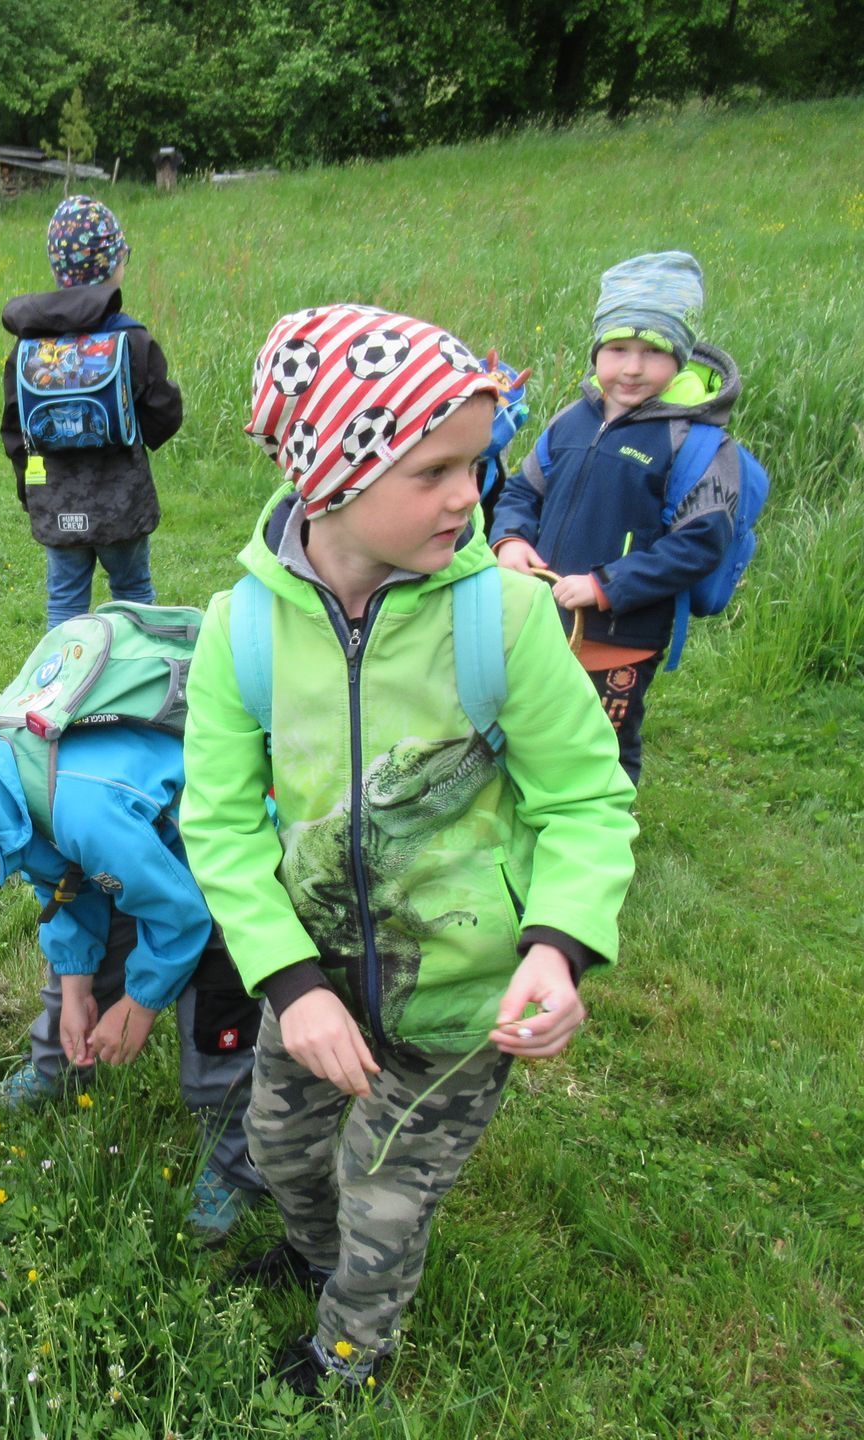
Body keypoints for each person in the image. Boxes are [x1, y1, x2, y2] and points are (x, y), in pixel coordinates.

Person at [180, 304, 638, 1402]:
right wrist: (290, 986)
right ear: (329, 472)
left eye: (476, 465)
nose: (468, 496)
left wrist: (559, 946)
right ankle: (312, 1257)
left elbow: (587, 801)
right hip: (313, 983)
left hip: (462, 1003)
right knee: (281, 1151)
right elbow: (221, 828)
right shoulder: (241, 632)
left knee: (380, 1189)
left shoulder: (506, 621)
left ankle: (349, 1352)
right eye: (434, 470)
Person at [0, 737, 266, 1245]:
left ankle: (236, 1164)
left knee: (217, 1030)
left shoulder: (85, 812)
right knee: (82, 979)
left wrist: (139, 1005)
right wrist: (76, 984)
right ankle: (57, 1070)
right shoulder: (2, 793)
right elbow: (63, 881)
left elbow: (182, 916)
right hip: (136, 856)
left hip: (213, 870)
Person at [488, 251, 745, 785]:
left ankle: (604, 830)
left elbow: (700, 543)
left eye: (653, 352)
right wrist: (510, 539)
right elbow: (523, 491)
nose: (631, 368)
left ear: (680, 357)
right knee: (530, 731)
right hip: (541, 623)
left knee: (602, 746)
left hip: (620, 636)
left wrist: (604, 585)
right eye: (618, 349)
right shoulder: (571, 421)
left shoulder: (697, 443)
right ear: (597, 351)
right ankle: (533, 818)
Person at [0, 196, 183, 628]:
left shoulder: (28, 348)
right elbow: (164, 415)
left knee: (65, 603)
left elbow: (15, 431)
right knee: (133, 593)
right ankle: (140, 665)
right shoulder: (130, 339)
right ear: (113, 265)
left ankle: (65, 672)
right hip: (122, 501)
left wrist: (31, 492)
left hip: (57, 500)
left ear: (57, 268)